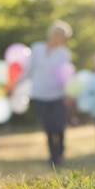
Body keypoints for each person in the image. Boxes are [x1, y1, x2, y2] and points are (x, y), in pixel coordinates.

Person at [15, 20, 73, 167]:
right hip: (40, 94)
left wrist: (68, 93)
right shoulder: (37, 48)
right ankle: (53, 158)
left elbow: (66, 75)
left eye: (63, 37)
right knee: (48, 127)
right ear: (52, 34)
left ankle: (60, 151)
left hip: (58, 94)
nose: (60, 39)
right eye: (59, 35)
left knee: (58, 127)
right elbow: (28, 70)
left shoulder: (64, 53)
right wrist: (15, 83)